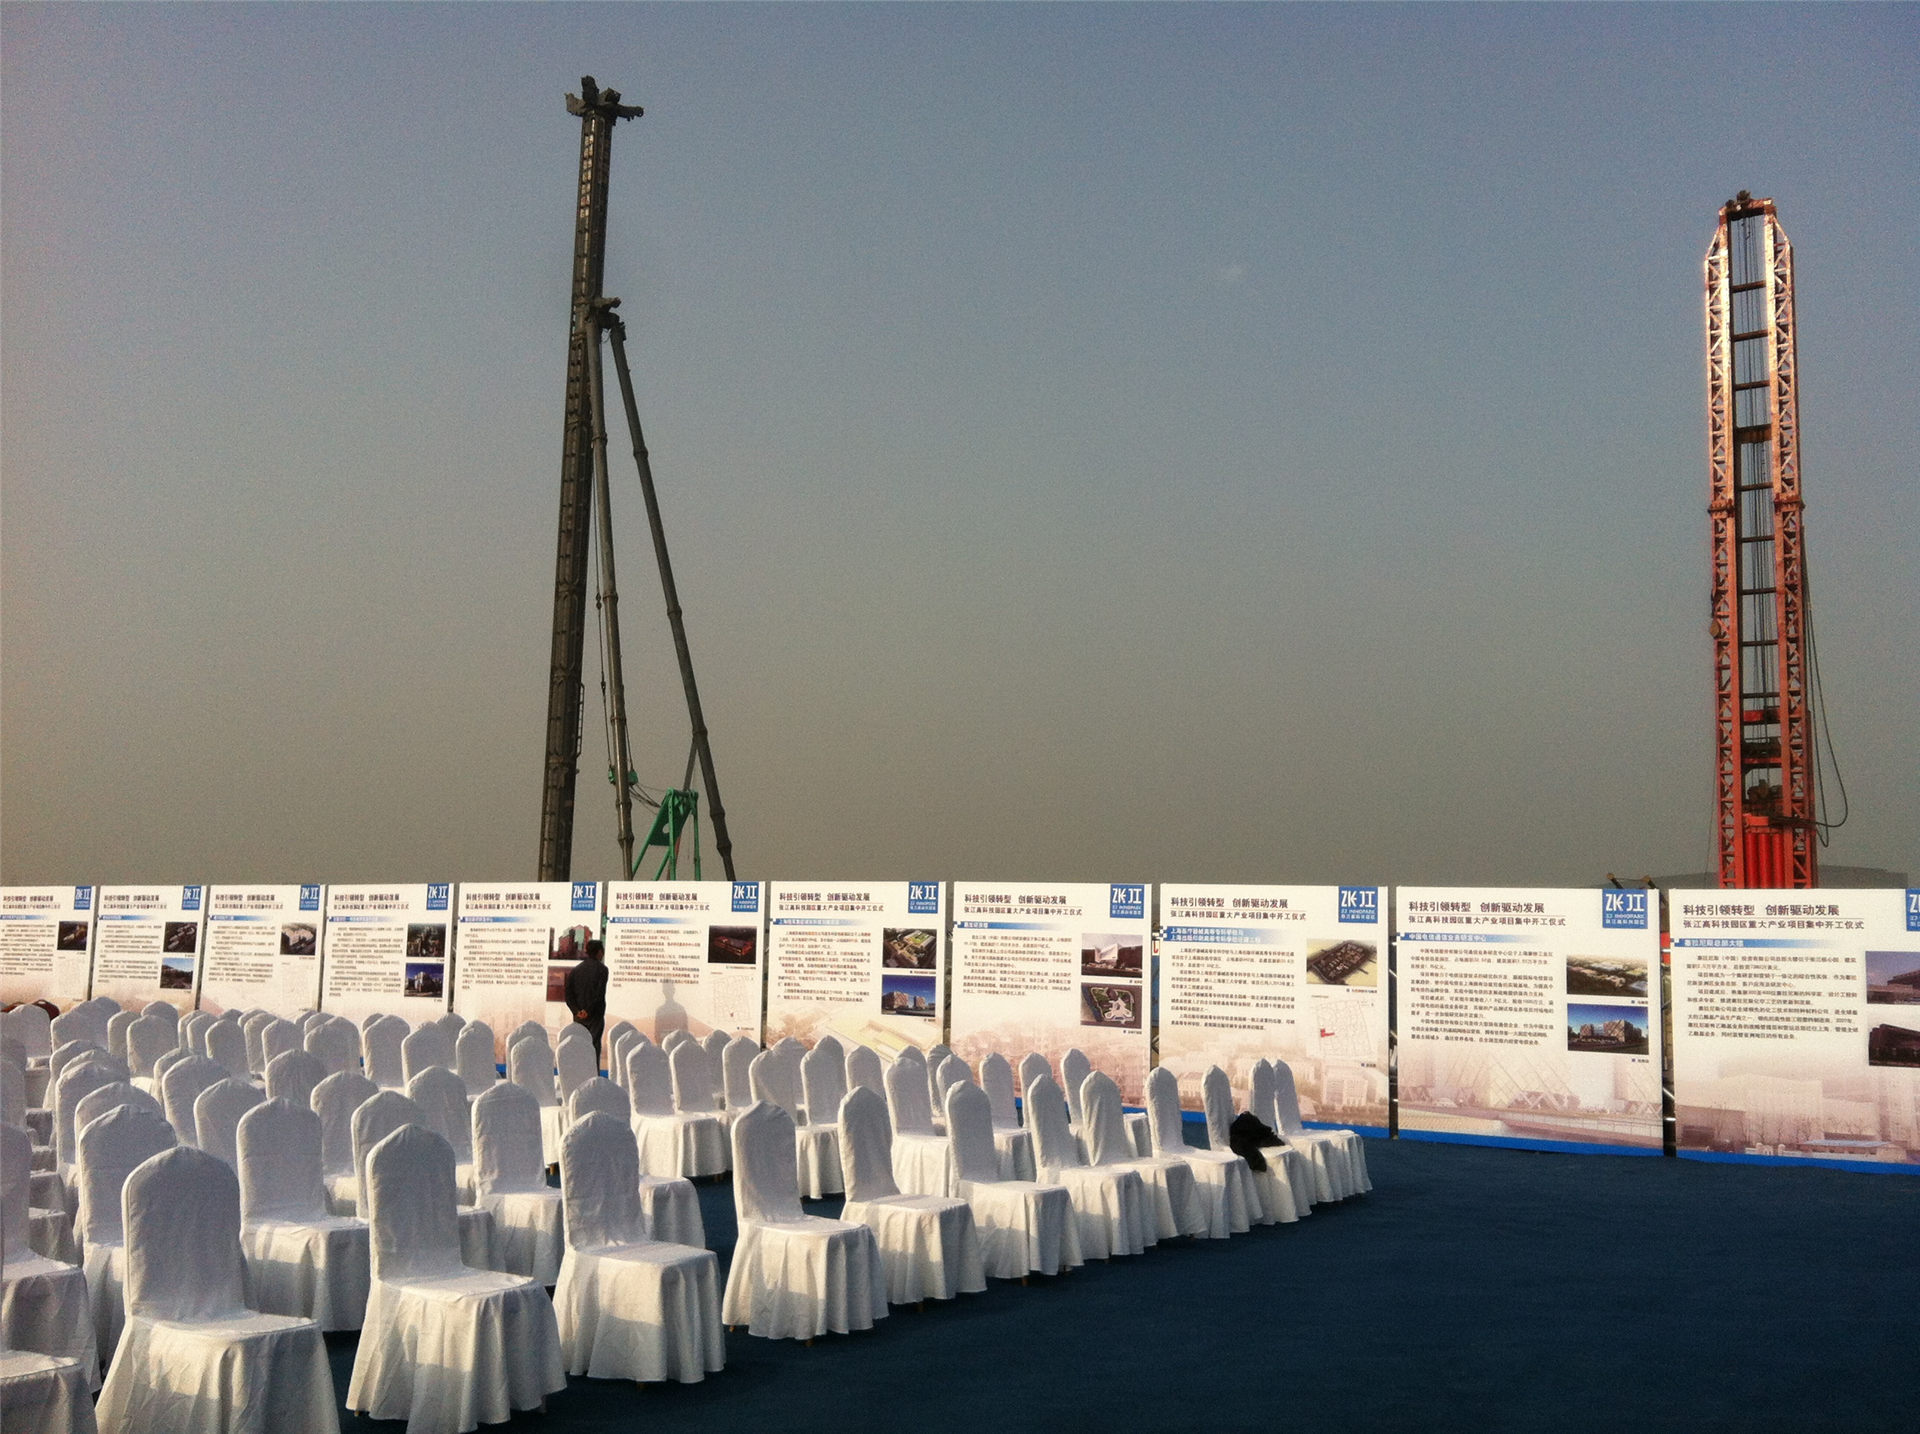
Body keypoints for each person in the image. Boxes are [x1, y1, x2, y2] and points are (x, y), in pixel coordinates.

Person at [563, 937, 610, 1060]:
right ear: (599, 952)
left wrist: (577, 1011)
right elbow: (599, 994)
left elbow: (568, 995)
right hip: (595, 1016)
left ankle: (579, 1070)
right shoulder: (602, 970)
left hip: (579, 1017)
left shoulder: (575, 970)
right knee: (593, 1047)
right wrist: (587, 1010)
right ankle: (593, 1071)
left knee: (579, 1047)